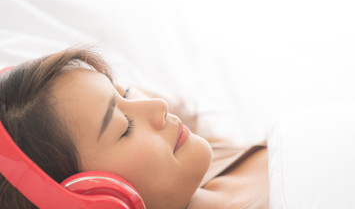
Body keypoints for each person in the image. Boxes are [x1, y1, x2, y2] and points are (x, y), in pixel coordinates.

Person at [0, 48, 269, 209]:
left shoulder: (202, 158)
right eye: (124, 127)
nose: (158, 106)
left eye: (126, 94)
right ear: (98, 198)